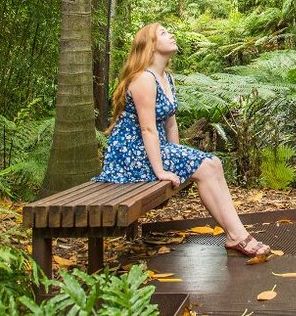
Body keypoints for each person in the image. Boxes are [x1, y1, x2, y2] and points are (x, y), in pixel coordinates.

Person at [94, 22, 270, 258]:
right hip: (130, 155)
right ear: (150, 45)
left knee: (214, 163)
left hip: (153, 149)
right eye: (163, 33)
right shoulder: (144, 79)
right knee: (206, 167)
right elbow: (147, 129)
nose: (171, 35)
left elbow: (171, 123)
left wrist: (177, 158)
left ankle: (235, 233)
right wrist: (162, 171)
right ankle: (237, 236)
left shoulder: (166, 78)